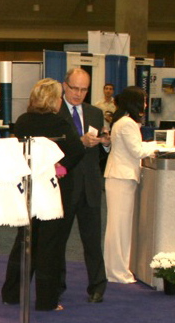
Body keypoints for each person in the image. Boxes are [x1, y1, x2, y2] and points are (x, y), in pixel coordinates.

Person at [1, 78, 85, 311]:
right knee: (51, 246)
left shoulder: (23, 121)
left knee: (24, 241)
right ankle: (47, 301)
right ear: (53, 99)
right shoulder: (59, 123)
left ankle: (11, 293)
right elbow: (78, 150)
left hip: (29, 189)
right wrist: (63, 167)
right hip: (54, 191)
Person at [58, 68, 110, 303]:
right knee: (58, 240)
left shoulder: (96, 113)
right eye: (75, 88)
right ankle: (56, 286)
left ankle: (98, 285)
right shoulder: (54, 112)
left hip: (90, 184)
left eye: (84, 89)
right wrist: (79, 142)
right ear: (64, 85)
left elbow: (99, 151)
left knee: (92, 240)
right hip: (64, 184)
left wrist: (105, 143)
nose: (79, 94)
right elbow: (51, 150)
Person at [103, 86, 156, 283]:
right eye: (143, 100)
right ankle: (118, 272)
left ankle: (116, 269)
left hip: (120, 177)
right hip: (121, 178)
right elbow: (137, 150)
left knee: (118, 227)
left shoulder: (123, 122)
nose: (145, 104)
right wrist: (158, 145)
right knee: (119, 227)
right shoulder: (127, 123)